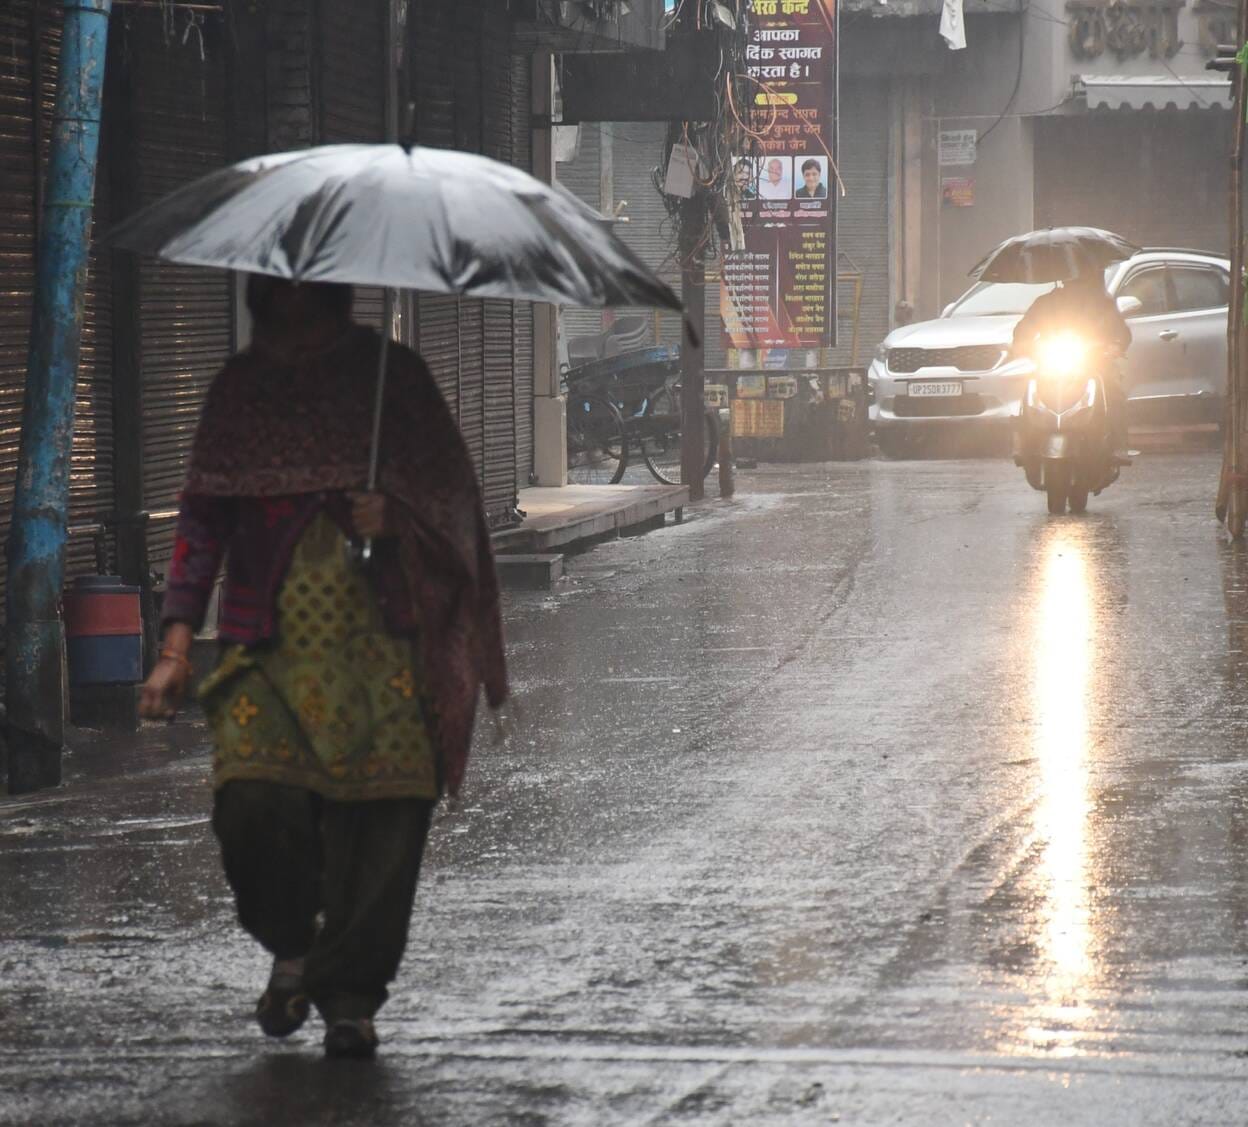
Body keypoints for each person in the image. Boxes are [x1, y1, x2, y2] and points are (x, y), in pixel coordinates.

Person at [139, 276, 508, 1060]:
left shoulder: (392, 380)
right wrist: (175, 646)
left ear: (334, 298)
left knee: (385, 828)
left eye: (309, 298)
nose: (293, 315)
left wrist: (395, 514)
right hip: (264, 652)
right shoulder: (240, 390)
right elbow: (202, 515)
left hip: (384, 651)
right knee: (251, 810)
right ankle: (293, 947)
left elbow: (453, 499)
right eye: (280, 297)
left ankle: (349, 996)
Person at [1012, 271, 1132, 453]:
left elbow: (1121, 333)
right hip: (1051, 363)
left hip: (1094, 362)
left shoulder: (1102, 303)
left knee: (1113, 391)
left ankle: (1118, 445)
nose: (1075, 282)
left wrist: (1114, 346)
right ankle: (1025, 444)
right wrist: (1023, 345)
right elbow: (1024, 330)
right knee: (1029, 389)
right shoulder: (1046, 302)